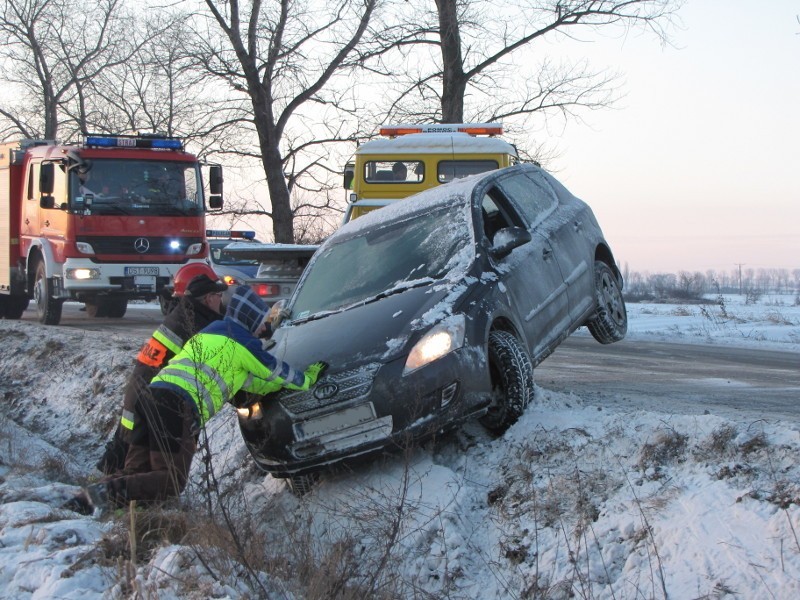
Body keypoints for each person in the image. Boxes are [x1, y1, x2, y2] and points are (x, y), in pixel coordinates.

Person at [79, 286, 326, 511]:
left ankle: (87, 500)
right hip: (175, 405)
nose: (265, 328)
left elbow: (254, 381)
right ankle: (106, 494)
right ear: (248, 319)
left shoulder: (208, 334)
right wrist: (307, 378)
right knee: (171, 480)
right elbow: (276, 371)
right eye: (262, 321)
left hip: (149, 396)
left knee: (137, 469)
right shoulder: (243, 345)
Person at [94, 264, 228, 475]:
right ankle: (112, 493)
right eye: (218, 295)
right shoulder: (194, 325)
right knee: (142, 459)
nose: (221, 300)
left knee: (128, 445)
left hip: (140, 390)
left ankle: (108, 485)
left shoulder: (181, 316)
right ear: (206, 297)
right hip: (154, 397)